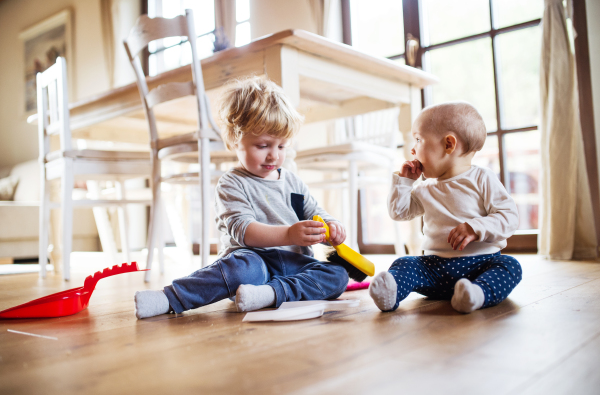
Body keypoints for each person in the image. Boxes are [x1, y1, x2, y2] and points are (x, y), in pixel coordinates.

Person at [134, 77, 349, 319]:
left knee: (338, 276)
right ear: (235, 139)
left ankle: (269, 294)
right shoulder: (232, 183)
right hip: (252, 262)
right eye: (263, 145)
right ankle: (169, 298)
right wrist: (289, 234)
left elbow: (314, 212)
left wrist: (331, 227)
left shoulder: (293, 181)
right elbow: (244, 231)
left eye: (281, 146)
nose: (273, 156)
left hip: (292, 264)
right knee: (240, 272)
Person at [369, 101, 522, 314]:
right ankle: (390, 293)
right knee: (404, 263)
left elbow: (509, 217)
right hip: (434, 268)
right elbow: (399, 212)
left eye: (418, 139)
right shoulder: (424, 188)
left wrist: (475, 227)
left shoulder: (482, 178)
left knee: (510, 266)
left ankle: (476, 294)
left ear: (449, 144)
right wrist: (404, 183)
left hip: (481, 266)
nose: (412, 149)